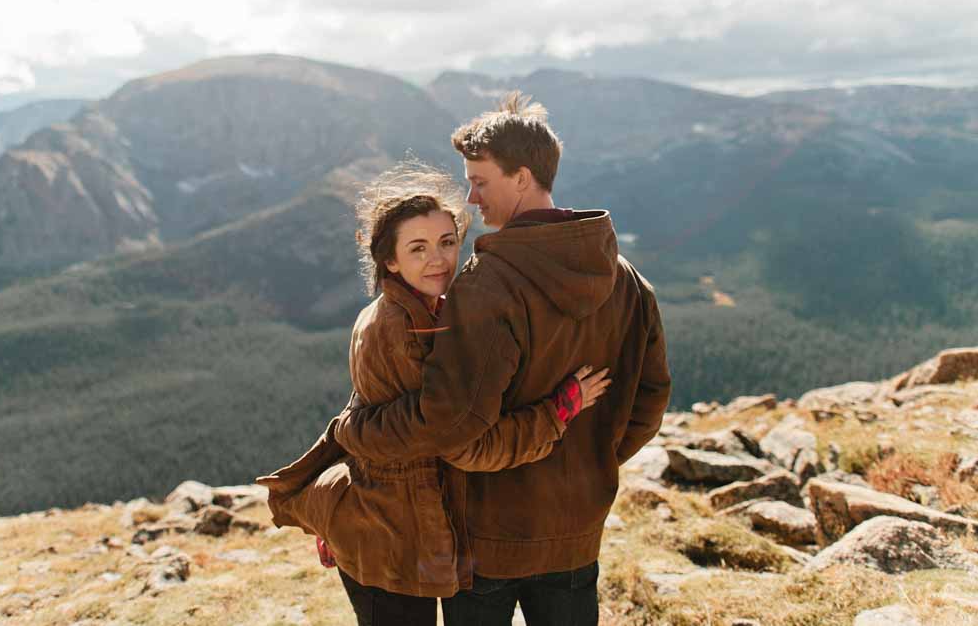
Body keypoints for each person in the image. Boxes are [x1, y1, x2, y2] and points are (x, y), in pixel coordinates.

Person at [332, 93, 672, 626]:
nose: (470, 198)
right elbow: (649, 401)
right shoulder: (627, 279)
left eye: (480, 181)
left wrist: (355, 432)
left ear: (521, 178)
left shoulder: (488, 288)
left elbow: (456, 436)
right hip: (578, 529)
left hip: (490, 536)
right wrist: (589, 462)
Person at [258, 162, 610, 626]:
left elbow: (370, 411)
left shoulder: (426, 309)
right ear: (390, 260)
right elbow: (457, 439)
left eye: (447, 243)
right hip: (385, 537)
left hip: (393, 529)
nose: (438, 259)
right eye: (417, 248)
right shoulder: (398, 326)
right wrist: (557, 411)